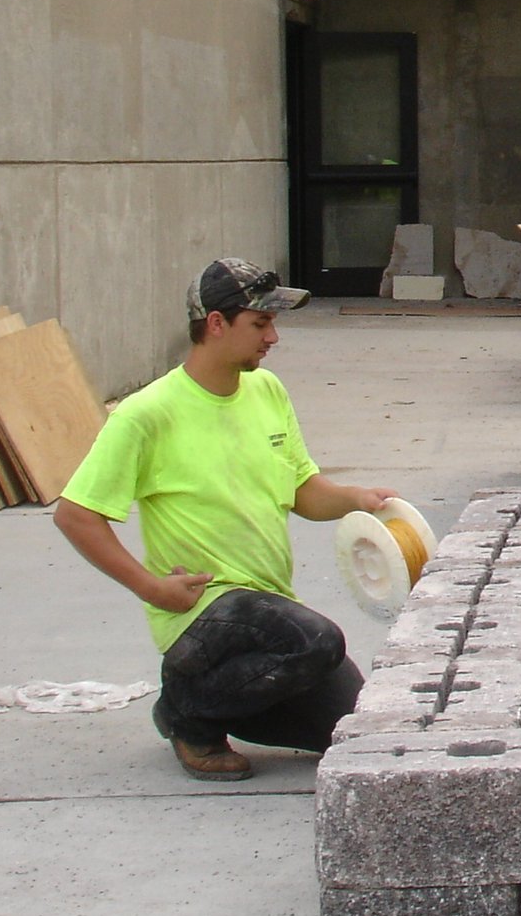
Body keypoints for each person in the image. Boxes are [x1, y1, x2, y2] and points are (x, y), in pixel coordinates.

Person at [53, 259, 398, 779]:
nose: (273, 338)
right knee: (316, 641)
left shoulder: (267, 393)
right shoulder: (147, 414)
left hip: (267, 605)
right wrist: (152, 589)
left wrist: (358, 499)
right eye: (260, 324)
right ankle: (187, 712)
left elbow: (302, 492)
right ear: (216, 324)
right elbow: (75, 516)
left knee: (354, 728)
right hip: (203, 606)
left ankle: (208, 706)